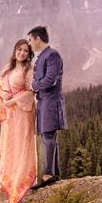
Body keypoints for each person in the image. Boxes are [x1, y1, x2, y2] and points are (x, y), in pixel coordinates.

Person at [0, 39, 37, 203]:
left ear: (29, 54)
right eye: (19, 49)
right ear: (15, 51)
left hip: (23, 112)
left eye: (25, 51)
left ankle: (21, 183)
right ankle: (6, 183)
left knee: (22, 145)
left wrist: (12, 102)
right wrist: (2, 93)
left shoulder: (29, 70)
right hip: (9, 116)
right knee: (10, 145)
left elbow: (31, 91)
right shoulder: (7, 69)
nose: (22, 53)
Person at [28, 26, 66, 189]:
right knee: (48, 138)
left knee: (48, 138)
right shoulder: (44, 56)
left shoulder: (52, 55)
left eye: (30, 40)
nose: (30, 44)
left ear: (37, 39)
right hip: (44, 102)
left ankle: (48, 175)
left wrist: (33, 86)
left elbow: (51, 79)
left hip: (50, 102)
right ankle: (53, 173)